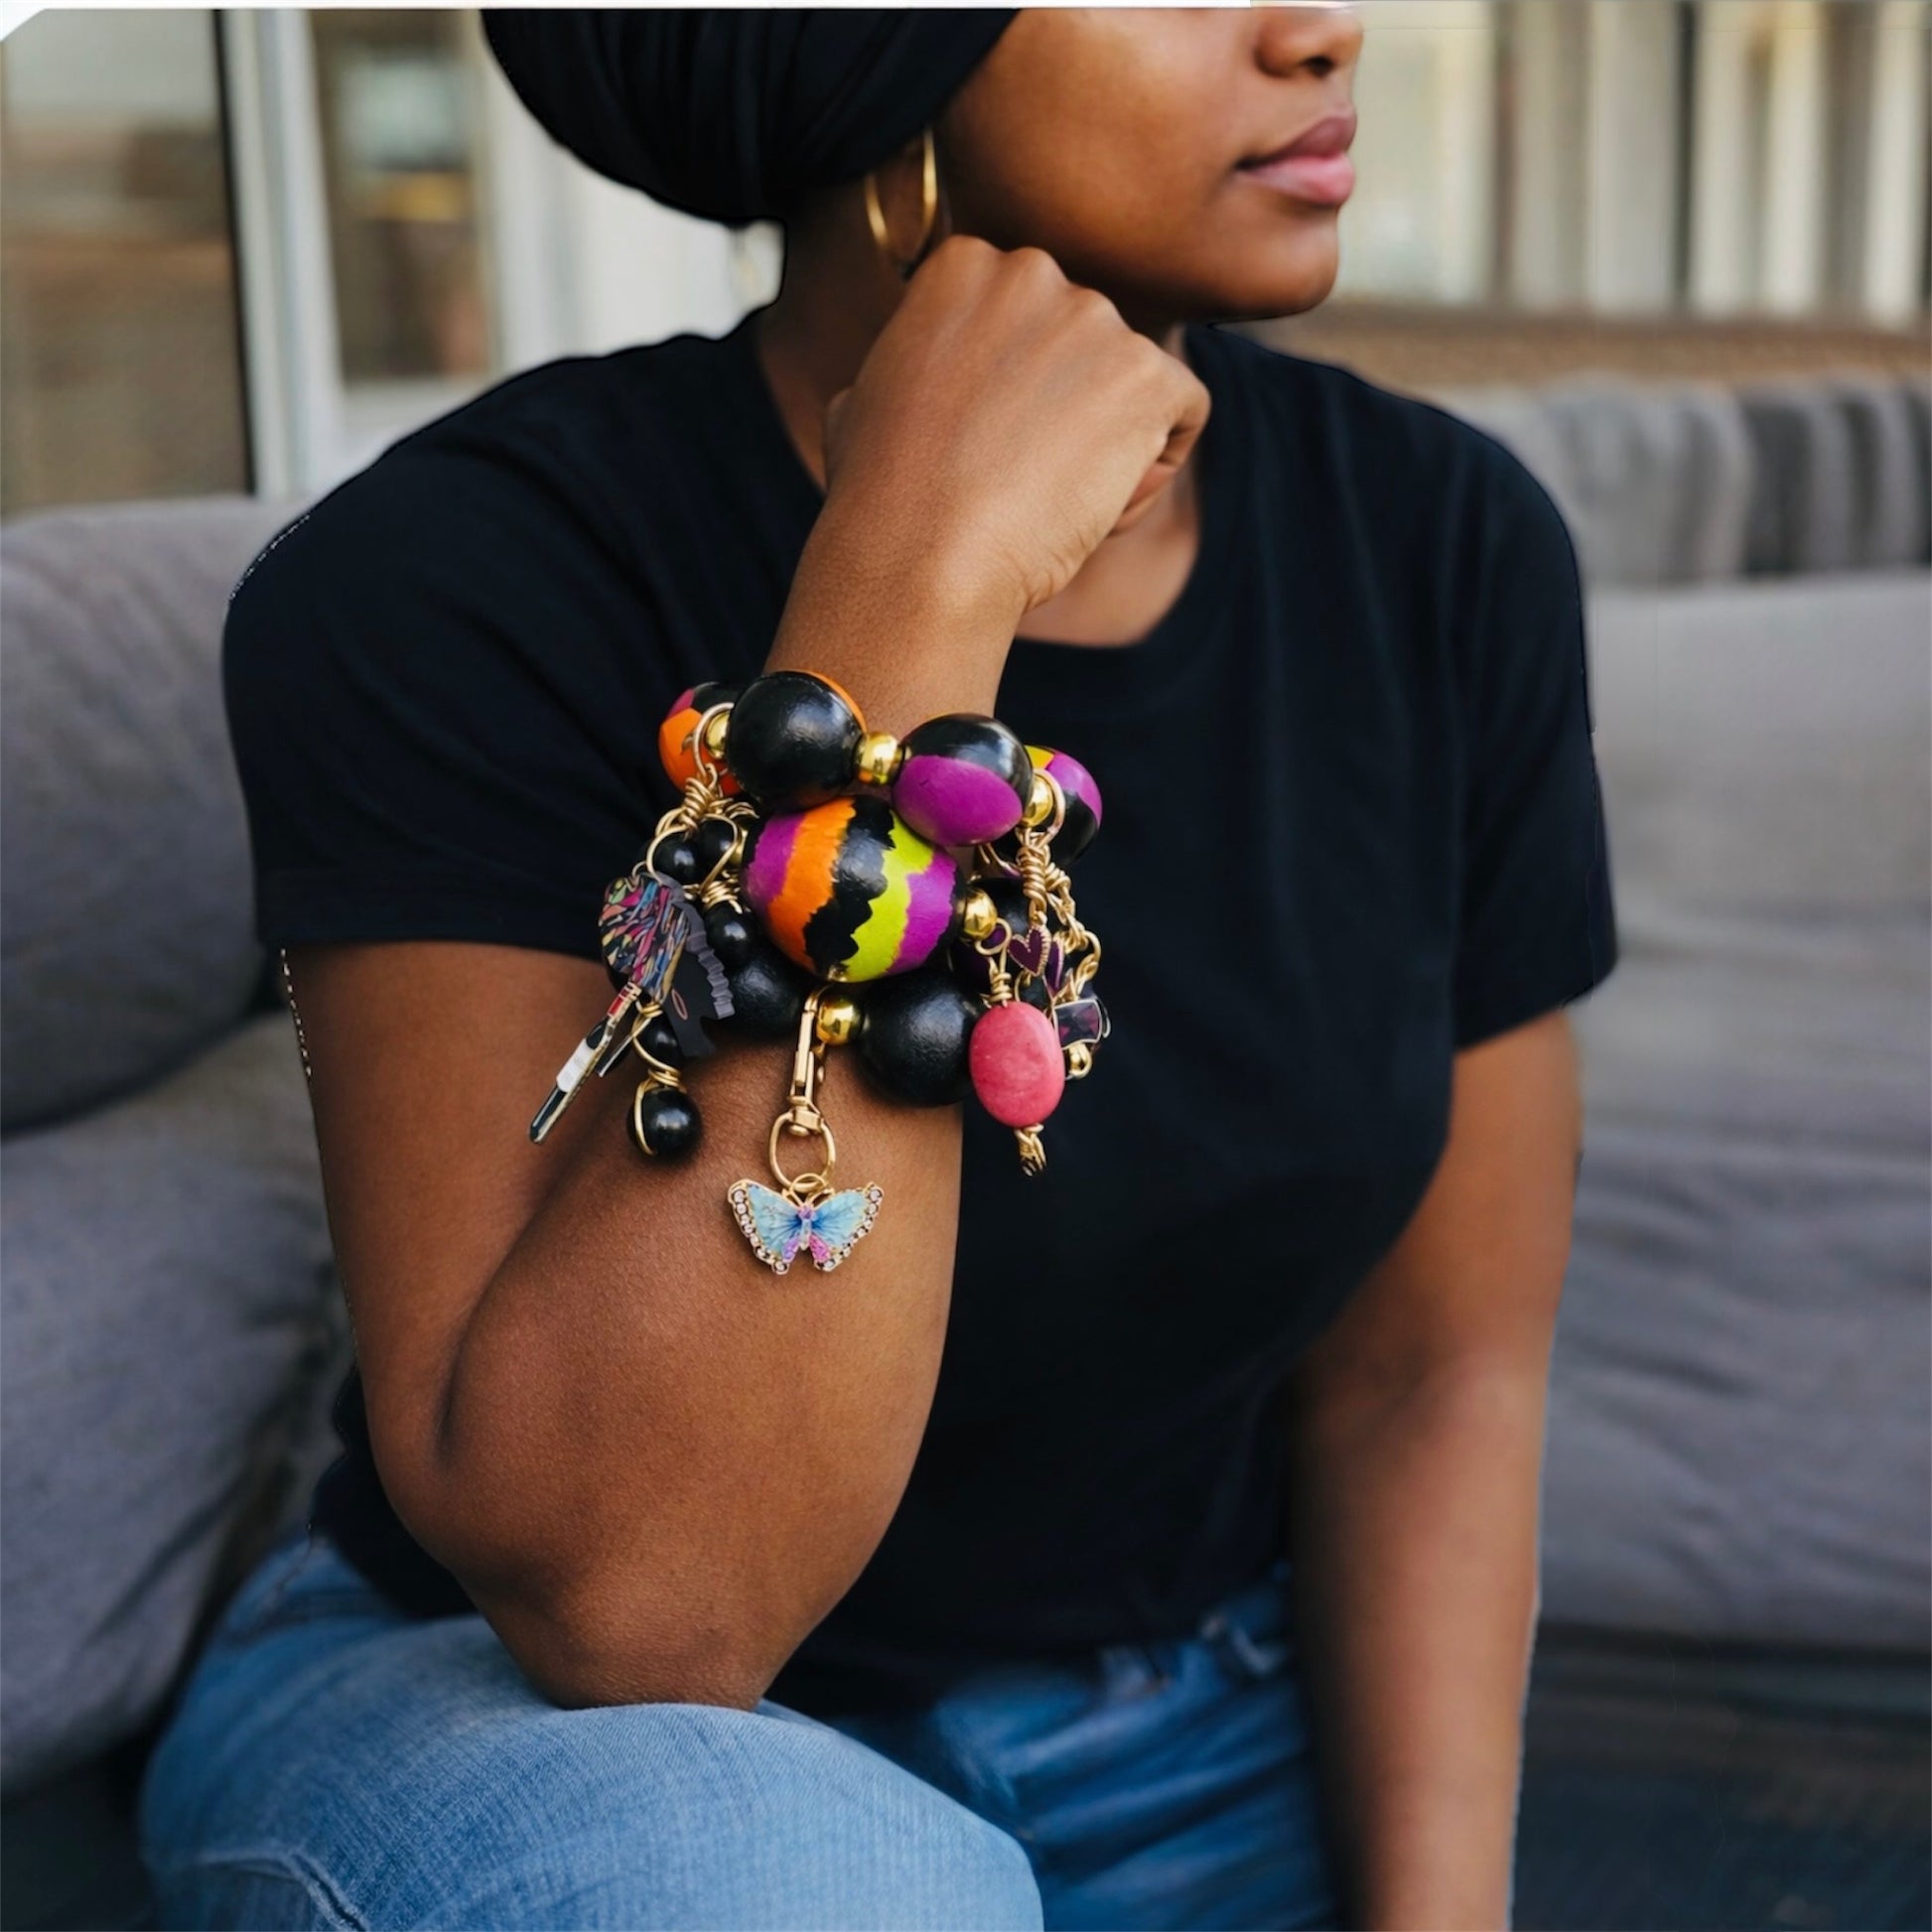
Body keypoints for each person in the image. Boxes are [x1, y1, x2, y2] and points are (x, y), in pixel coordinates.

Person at [136, 7, 1619, 1928]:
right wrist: (910, 598)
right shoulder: (451, 578)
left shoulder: (1444, 550)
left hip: (1194, 1743)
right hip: (550, 1742)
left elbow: (1429, 1376)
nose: (1316, 26)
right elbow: (641, 1603)